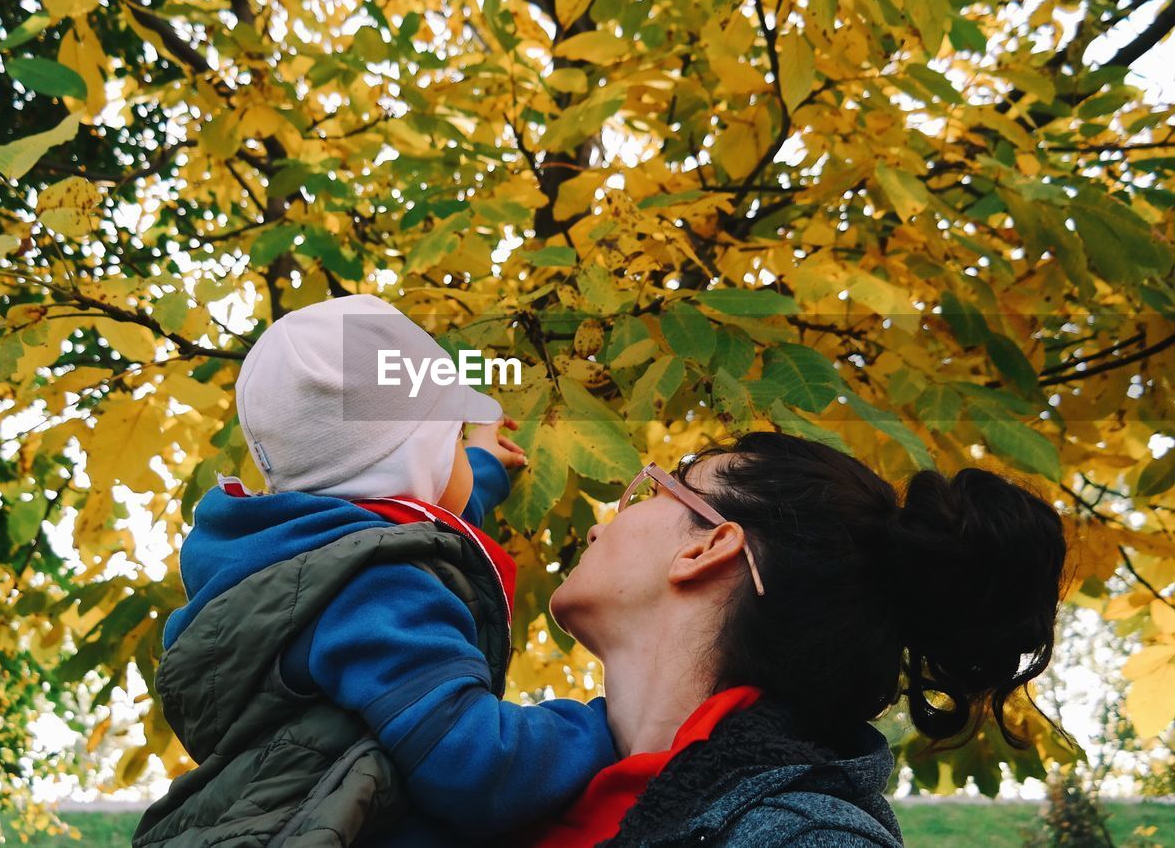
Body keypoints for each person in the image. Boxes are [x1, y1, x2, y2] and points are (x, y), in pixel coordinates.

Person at [133, 294, 619, 848]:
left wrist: (481, 462)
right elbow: (475, 764)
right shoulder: (379, 593)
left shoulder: (300, 562)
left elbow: (405, 510)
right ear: (425, 462)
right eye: (453, 438)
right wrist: (608, 726)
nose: (459, 452)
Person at [514, 430, 1069, 847]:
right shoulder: (508, 781)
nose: (597, 526)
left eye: (656, 492)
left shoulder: (807, 839)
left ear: (708, 548)